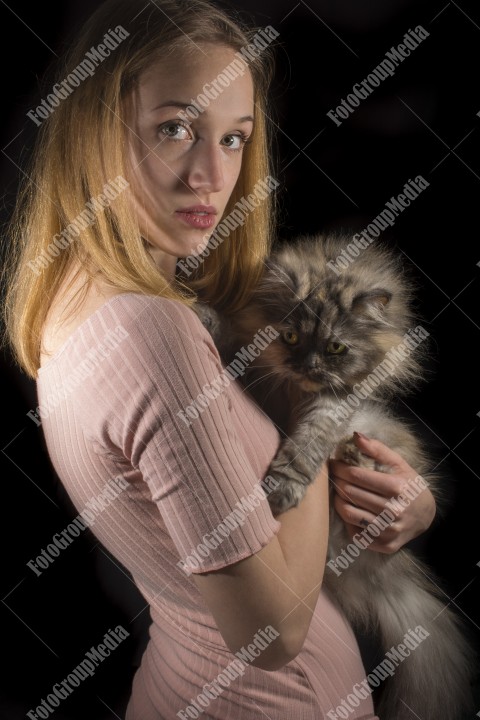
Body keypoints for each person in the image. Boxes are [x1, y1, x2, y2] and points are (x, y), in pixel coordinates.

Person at [2, 0, 436, 717]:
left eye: (234, 139)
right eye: (174, 129)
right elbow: (272, 630)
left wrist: (383, 508)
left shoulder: (76, 299)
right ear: (92, 133)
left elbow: (245, 531)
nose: (211, 174)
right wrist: (314, 415)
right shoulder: (152, 332)